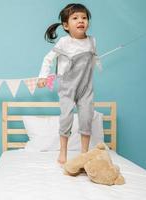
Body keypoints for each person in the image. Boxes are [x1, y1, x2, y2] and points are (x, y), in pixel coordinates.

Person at [37, 3, 100, 165]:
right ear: (66, 25)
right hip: (68, 86)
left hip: (86, 86)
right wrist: (43, 76)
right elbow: (48, 59)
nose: (81, 20)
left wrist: (96, 63)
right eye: (75, 18)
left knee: (86, 117)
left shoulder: (92, 41)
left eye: (84, 17)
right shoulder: (64, 42)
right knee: (66, 117)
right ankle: (63, 151)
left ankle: (84, 153)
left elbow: (92, 60)